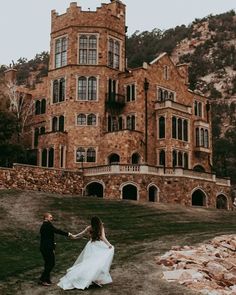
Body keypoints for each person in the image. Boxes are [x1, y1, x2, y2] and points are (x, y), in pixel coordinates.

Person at [57, 216, 114, 290]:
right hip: (99, 245)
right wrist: (109, 245)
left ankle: (94, 278)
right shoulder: (100, 227)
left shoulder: (89, 227)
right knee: (98, 262)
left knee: (89, 262)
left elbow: (82, 233)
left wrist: (74, 236)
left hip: (91, 246)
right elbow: (103, 237)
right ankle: (94, 278)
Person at [39, 212, 72, 286]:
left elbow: (47, 237)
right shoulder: (47, 225)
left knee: (48, 263)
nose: (52, 218)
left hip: (44, 247)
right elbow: (57, 231)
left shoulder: (45, 225)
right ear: (46, 218)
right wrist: (68, 234)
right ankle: (42, 279)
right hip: (47, 248)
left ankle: (47, 279)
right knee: (51, 263)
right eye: (50, 217)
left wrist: (53, 244)